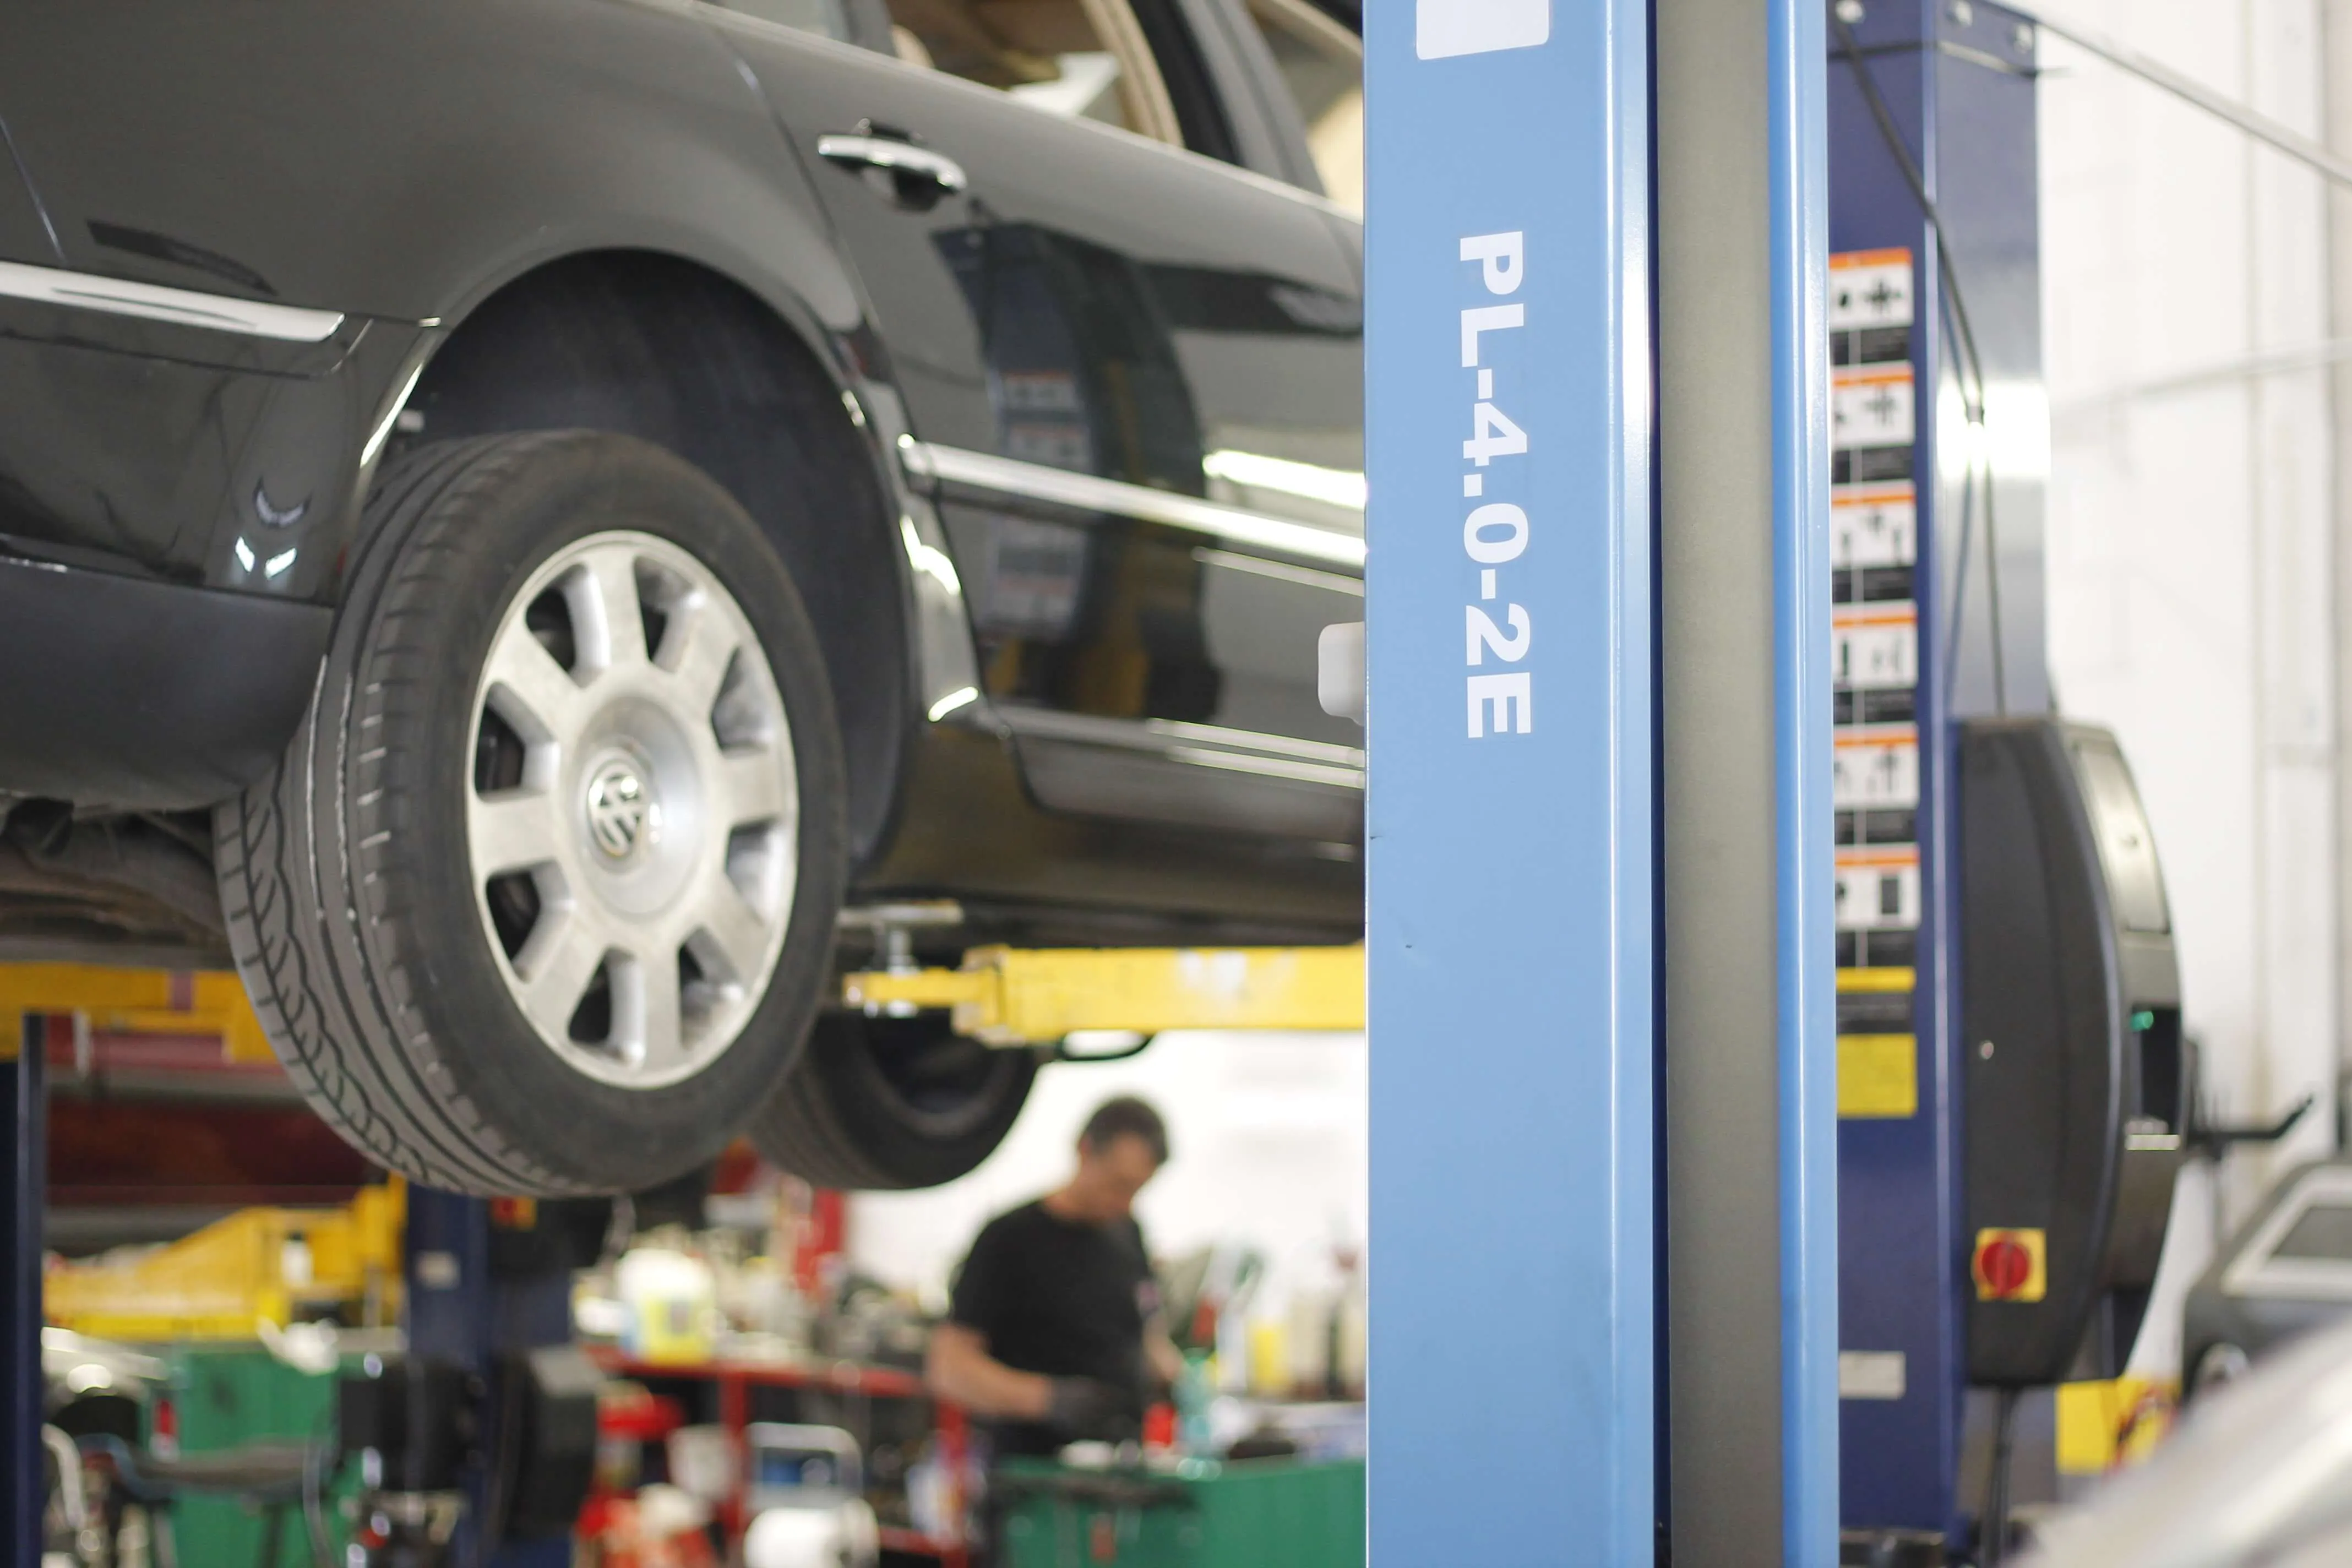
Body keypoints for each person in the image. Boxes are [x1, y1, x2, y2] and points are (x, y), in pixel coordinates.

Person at [926, 1096, 1186, 1458]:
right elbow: (949, 1368)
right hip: (1033, 1477)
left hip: (1118, 1465)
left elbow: (1147, 1333)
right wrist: (1049, 1400)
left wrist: (1177, 1378)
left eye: (1137, 1190)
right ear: (1084, 1151)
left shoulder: (1129, 1233)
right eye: (1117, 1184)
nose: (1124, 1203)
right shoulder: (1009, 1239)